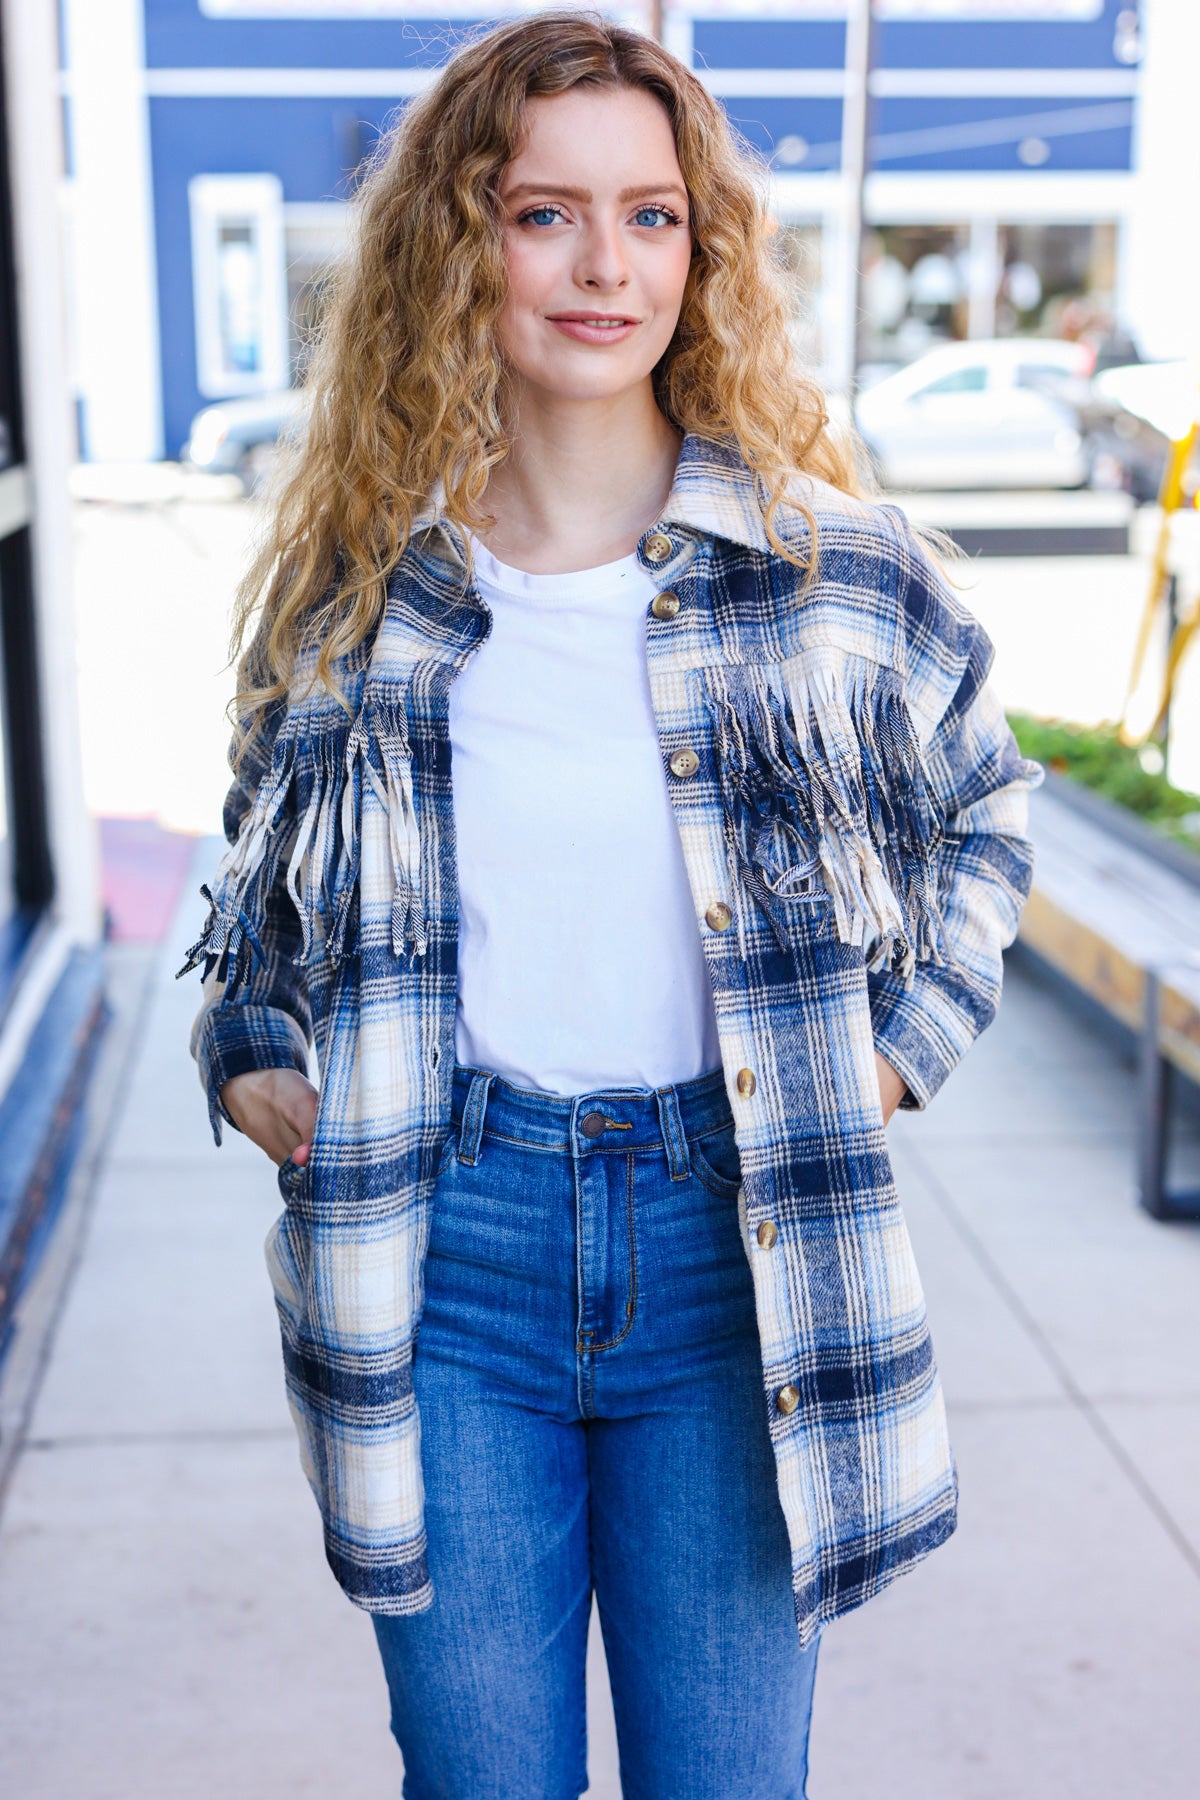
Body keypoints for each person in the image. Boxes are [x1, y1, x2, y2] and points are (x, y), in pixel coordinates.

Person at [180, 13, 1043, 1797]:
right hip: (452, 1256)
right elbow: (265, 877)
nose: (605, 266)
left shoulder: (826, 569)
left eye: (652, 216)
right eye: (542, 213)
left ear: (701, 251)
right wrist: (248, 1045)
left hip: (735, 1259)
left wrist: (896, 1055)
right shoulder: (362, 594)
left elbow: (986, 808)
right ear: (457, 246)